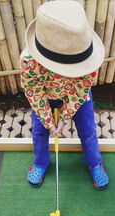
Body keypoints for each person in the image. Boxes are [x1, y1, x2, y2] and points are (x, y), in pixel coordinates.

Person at [20, 0, 109, 190]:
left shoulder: (87, 60)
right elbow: (34, 93)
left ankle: (95, 163)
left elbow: (80, 91)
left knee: (87, 129)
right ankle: (40, 162)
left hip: (76, 95)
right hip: (45, 97)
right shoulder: (28, 61)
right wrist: (50, 122)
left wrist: (63, 119)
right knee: (39, 130)